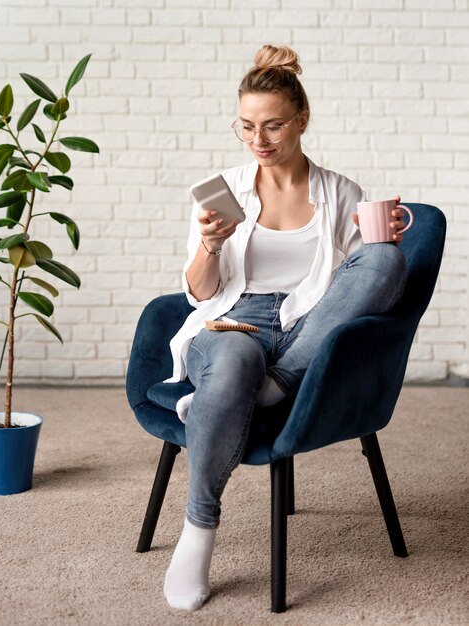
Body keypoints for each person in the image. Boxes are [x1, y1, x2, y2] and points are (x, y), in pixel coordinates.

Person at [162, 44, 408, 611]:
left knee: (388, 258)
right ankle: (198, 531)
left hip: (307, 331)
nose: (259, 140)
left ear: (302, 119)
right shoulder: (222, 188)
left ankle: (275, 382)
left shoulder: (340, 192)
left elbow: (360, 292)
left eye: (273, 125)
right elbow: (197, 292)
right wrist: (209, 244)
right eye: (246, 126)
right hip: (231, 322)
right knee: (236, 360)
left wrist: (382, 238)